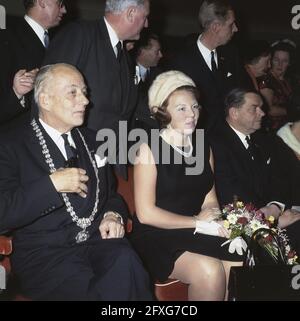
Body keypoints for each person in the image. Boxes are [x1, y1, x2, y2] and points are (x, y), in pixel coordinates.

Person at [0, 63, 151, 301]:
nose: (85, 101)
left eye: (84, 92)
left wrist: (113, 214)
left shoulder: (93, 141)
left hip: (96, 243)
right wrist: (51, 186)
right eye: (73, 92)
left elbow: (111, 195)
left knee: (127, 261)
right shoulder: (10, 144)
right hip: (45, 256)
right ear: (45, 100)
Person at [130, 71, 243, 301]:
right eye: (181, 108)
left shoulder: (203, 147)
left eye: (195, 106)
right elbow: (146, 214)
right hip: (156, 234)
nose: (191, 114)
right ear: (162, 111)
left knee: (238, 256)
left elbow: (209, 198)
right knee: (209, 270)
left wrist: (218, 222)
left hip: (194, 227)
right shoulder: (149, 150)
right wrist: (198, 222)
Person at [44, 0, 150, 143]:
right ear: (131, 13)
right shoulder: (80, 34)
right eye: (145, 17)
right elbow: (48, 93)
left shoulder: (124, 56)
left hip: (111, 154)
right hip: (79, 152)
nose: (146, 24)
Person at [209, 88, 300, 228]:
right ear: (234, 113)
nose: (262, 113)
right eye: (254, 109)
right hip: (244, 225)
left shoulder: (266, 139)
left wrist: (275, 206)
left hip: (277, 211)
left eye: (261, 108)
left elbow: (281, 176)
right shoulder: (214, 145)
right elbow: (229, 194)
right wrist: (271, 222)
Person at [169, 0, 246, 131]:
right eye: (231, 24)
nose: (236, 28)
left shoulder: (231, 55)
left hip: (228, 136)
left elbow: (239, 95)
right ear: (216, 27)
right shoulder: (181, 61)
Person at [0, 0, 67, 126]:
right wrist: (17, 93)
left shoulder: (59, 41)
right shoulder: (6, 37)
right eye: (60, 4)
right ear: (42, 2)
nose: (64, 10)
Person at [259, 41, 295, 130]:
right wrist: (293, 111)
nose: (280, 64)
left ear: (289, 63)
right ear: (270, 60)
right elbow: (269, 110)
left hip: (289, 128)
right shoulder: (267, 80)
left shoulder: (289, 81)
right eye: (276, 59)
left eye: (285, 61)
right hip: (272, 130)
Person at [132, 30, 163, 130]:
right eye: (157, 51)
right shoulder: (126, 71)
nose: (161, 55)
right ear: (142, 51)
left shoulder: (161, 75)